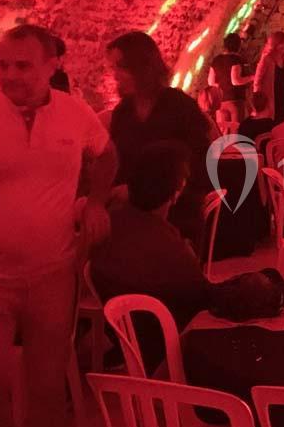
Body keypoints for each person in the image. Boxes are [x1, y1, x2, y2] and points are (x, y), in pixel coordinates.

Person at [0, 24, 116, 427]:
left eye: (22, 66)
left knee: (46, 386)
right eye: (3, 65)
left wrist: (96, 202)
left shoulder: (75, 113)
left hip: (53, 272)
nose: (10, 75)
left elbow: (107, 155)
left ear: (52, 65)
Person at [90, 141, 209, 372]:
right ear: (176, 191)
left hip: (126, 334)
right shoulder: (168, 246)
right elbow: (201, 295)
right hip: (168, 346)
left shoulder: (111, 225)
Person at [107, 31, 211, 245]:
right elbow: (117, 164)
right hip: (132, 219)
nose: (115, 76)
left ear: (142, 67)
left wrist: (138, 192)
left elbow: (199, 165)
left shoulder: (180, 107)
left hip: (178, 217)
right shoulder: (122, 113)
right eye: (113, 68)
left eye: (121, 67)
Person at [209, 32, 253, 124]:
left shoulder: (216, 60)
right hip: (235, 99)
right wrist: (253, 77)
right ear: (238, 46)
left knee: (223, 130)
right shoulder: (237, 59)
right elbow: (236, 81)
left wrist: (222, 85)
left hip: (220, 102)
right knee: (236, 129)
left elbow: (211, 82)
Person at [254, 31, 284, 123]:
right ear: (278, 44)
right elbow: (257, 80)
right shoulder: (267, 59)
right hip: (270, 97)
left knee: (281, 120)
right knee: (271, 122)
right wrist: (258, 101)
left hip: (283, 97)